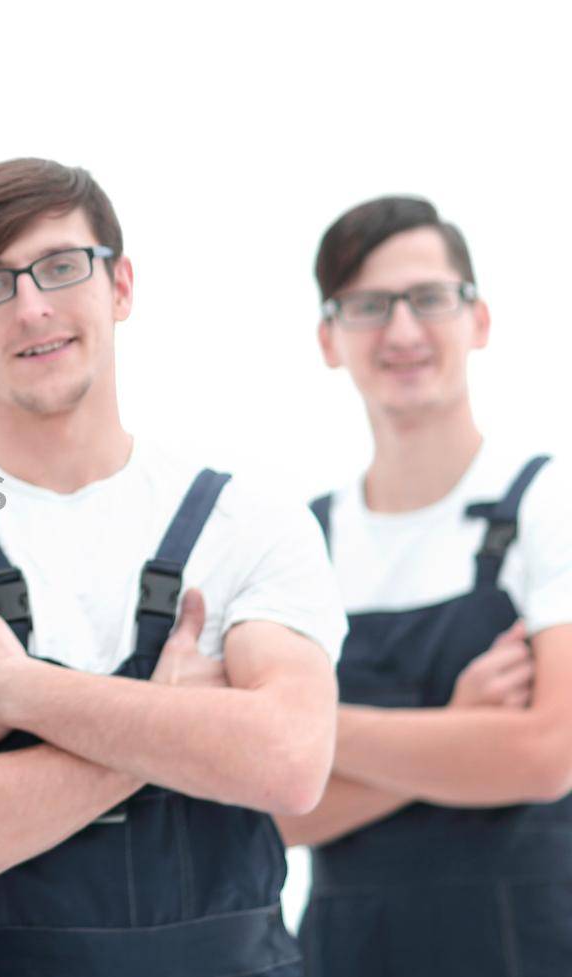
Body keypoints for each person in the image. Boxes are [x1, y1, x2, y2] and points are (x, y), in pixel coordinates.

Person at [0, 158, 345, 976]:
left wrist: (23, 694)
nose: (32, 306)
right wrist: (176, 721)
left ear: (120, 285)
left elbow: (291, 760)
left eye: (59, 267)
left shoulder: (249, 521)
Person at [275, 196, 572, 975]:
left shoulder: (550, 504)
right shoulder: (296, 544)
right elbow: (268, 815)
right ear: (328, 338)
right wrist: (461, 728)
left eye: (430, 298)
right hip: (346, 952)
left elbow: (547, 752)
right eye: (370, 305)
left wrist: (313, 735)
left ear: (479, 319)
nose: (403, 330)